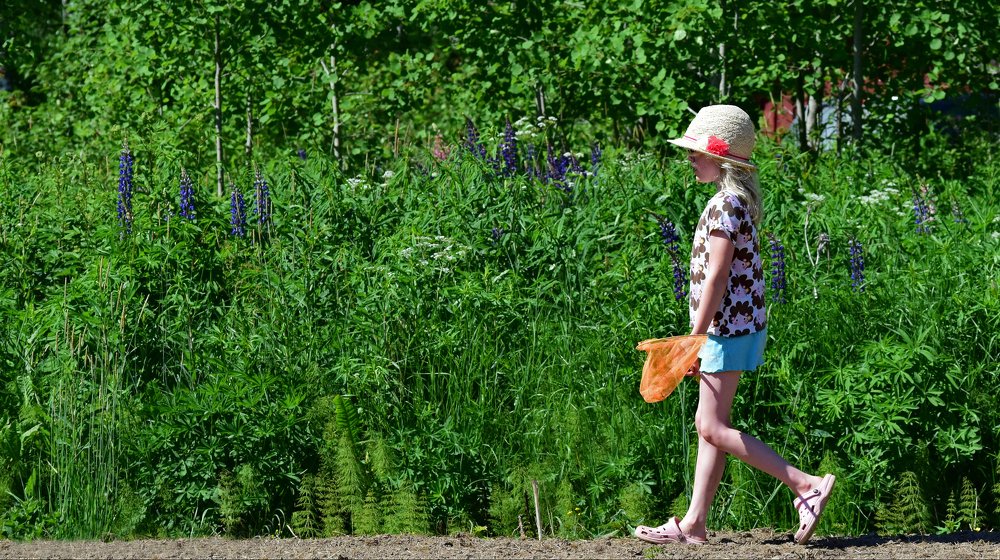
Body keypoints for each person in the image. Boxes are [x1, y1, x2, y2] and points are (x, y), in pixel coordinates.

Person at [633, 105, 835, 546]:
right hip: (738, 326)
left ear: (722, 160)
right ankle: (694, 525)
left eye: (697, 153)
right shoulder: (735, 202)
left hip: (725, 329)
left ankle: (806, 485)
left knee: (711, 427)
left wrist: (693, 336)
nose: (690, 159)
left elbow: (718, 275)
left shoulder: (726, 204)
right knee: (711, 425)